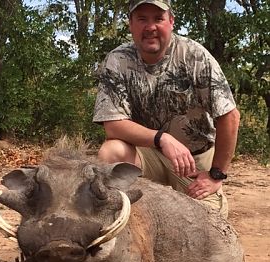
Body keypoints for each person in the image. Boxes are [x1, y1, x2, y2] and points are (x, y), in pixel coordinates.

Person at [93, 0, 240, 219]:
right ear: (130, 24)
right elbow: (113, 125)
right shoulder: (117, 60)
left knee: (210, 226)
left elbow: (230, 117)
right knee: (111, 152)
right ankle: (124, 221)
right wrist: (163, 139)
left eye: (158, 18)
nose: (150, 27)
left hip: (193, 163)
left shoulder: (194, 55)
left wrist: (216, 175)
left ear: (171, 21)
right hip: (148, 155)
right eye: (142, 19)